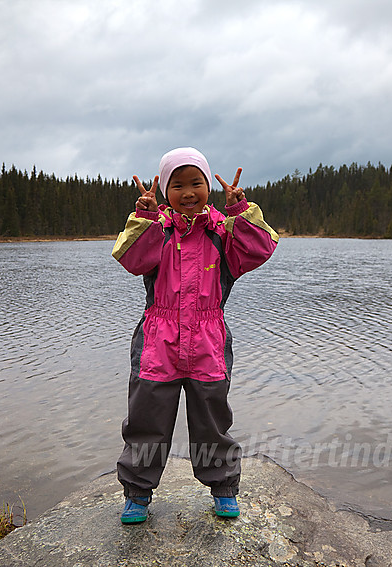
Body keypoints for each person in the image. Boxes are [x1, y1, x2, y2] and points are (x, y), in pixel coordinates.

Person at [111, 147, 279, 524]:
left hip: (208, 339)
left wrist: (239, 211)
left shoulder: (223, 230)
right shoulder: (158, 229)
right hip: (158, 340)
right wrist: (144, 215)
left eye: (196, 183)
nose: (188, 192)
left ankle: (222, 489)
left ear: (208, 185)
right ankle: (137, 493)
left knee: (212, 419)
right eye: (178, 185)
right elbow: (131, 258)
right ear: (166, 191)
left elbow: (260, 249)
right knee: (146, 419)